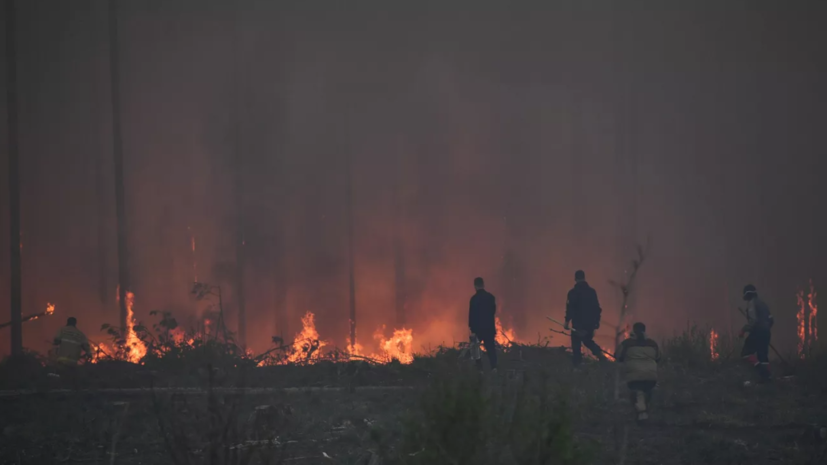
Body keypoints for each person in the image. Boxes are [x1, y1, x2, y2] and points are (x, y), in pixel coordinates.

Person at [616, 322, 661, 422]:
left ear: (634, 330)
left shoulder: (627, 343)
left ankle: (641, 413)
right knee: (646, 391)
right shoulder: (653, 343)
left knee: (637, 392)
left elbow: (618, 356)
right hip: (651, 376)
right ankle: (644, 412)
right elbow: (658, 357)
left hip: (634, 376)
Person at [564, 270, 606, 367]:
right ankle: (600, 355)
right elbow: (597, 308)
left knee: (576, 344)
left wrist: (566, 322)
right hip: (590, 324)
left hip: (578, 324)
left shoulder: (573, 292)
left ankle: (577, 365)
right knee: (587, 340)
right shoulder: (592, 292)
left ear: (575, 279)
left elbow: (570, 308)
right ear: (584, 278)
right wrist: (596, 324)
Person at [740, 284, 773, 382]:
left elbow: (753, 321)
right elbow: (771, 320)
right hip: (766, 333)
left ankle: (762, 372)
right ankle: (767, 378)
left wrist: (743, 330)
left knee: (746, 353)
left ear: (748, 295)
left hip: (757, 332)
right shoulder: (763, 304)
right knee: (763, 356)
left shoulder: (751, 303)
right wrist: (765, 330)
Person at [469, 277, 498, 374]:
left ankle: (479, 369)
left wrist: (472, 330)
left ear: (475, 286)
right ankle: (494, 368)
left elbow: (472, 315)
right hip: (489, 328)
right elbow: (493, 312)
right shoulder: (491, 297)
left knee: (475, 348)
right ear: (483, 285)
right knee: (491, 348)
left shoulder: (474, 299)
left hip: (478, 329)